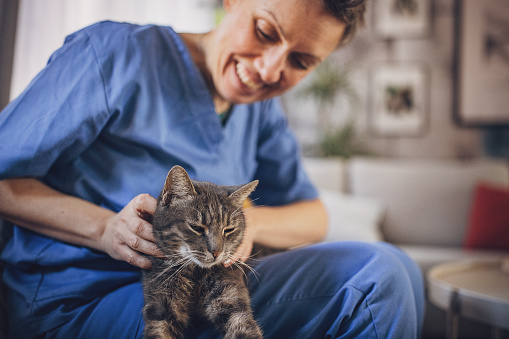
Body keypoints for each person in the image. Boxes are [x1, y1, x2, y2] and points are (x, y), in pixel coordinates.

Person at [0, 0, 425, 338]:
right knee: (375, 281)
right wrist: (105, 228)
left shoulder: (259, 111)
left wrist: (247, 224)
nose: (268, 69)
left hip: (205, 291)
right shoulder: (116, 54)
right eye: (264, 32)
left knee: (405, 270)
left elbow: (313, 216)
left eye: (300, 61)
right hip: (83, 304)